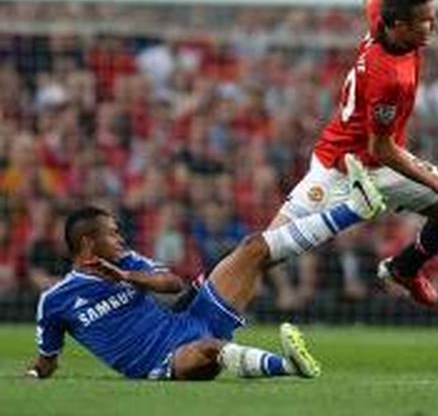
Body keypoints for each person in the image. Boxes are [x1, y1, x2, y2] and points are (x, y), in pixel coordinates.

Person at [27, 155, 385, 380]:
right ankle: (288, 366)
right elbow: (47, 361)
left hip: (192, 319)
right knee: (209, 350)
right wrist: (32, 375)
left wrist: (128, 276)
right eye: (112, 234)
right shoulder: (56, 300)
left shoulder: (128, 262)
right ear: (88, 243)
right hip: (165, 360)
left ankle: (356, 208)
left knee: (253, 247)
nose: (120, 239)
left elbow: (173, 284)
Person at [266, 0, 438, 308]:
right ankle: (199, 297)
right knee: (268, 248)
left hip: (383, 164)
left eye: (432, 15)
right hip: (341, 165)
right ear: (399, 26)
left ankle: (405, 268)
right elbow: (380, 147)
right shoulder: (390, 79)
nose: (435, 25)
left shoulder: (381, 17)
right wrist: (437, 181)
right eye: (426, 21)